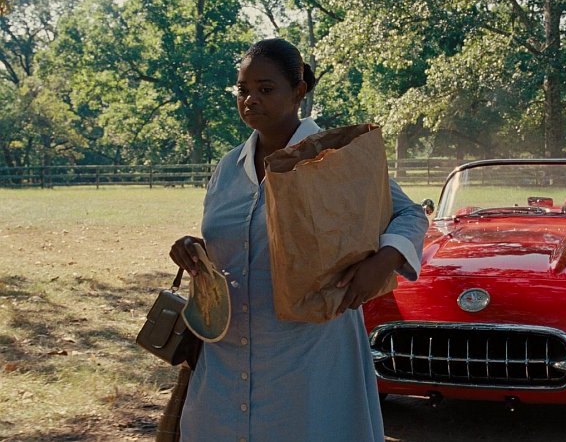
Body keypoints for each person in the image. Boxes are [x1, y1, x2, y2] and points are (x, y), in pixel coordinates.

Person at [168, 38, 428, 441]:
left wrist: (383, 261)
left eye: (265, 88)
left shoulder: (335, 157)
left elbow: (409, 214)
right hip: (227, 352)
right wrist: (194, 250)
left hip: (310, 354)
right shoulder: (229, 166)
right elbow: (231, 239)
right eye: (243, 89)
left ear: (298, 92)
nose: (250, 99)